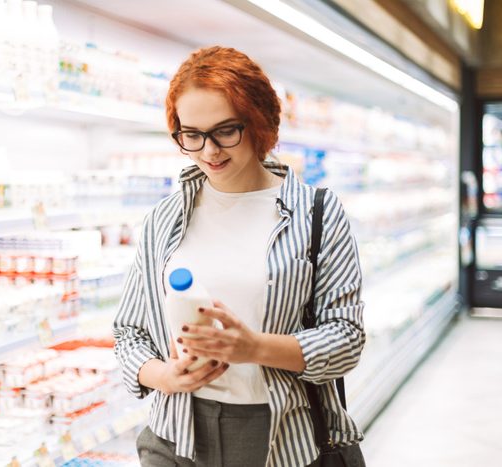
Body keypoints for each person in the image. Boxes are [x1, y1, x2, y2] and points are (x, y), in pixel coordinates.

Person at [112, 46, 366, 467]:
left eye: (225, 131)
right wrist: (164, 376)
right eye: (191, 134)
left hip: (279, 433)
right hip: (175, 434)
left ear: (260, 121)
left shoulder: (316, 213)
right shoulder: (163, 219)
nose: (208, 151)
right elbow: (129, 333)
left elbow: (346, 339)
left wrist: (254, 348)